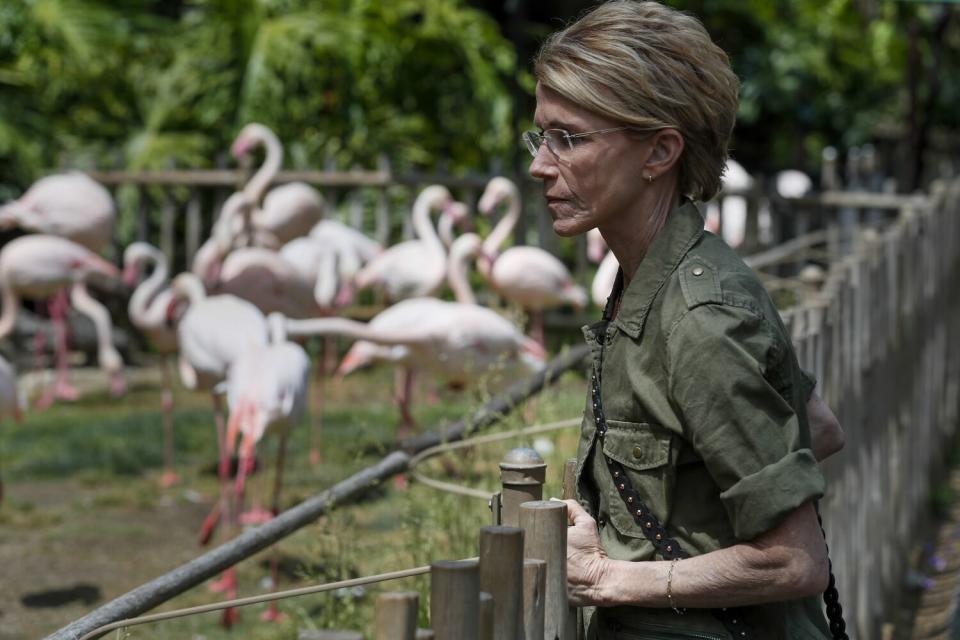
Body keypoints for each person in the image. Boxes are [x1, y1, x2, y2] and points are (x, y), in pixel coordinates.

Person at [524, 2, 846, 639]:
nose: (540, 164)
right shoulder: (657, 275)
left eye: (570, 138)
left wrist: (607, 577)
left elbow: (794, 560)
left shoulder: (699, 316)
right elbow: (818, 427)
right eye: (541, 136)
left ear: (661, 151)